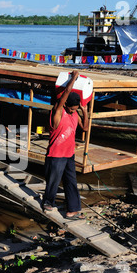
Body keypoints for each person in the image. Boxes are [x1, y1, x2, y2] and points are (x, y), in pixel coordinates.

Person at [41, 70, 89, 220]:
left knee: (71, 182)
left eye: (75, 109)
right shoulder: (58, 113)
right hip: (55, 155)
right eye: (72, 108)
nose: (73, 111)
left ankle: (73, 210)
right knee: (53, 181)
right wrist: (73, 79)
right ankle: (48, 202)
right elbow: (66, 94)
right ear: (66, 105)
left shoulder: (75, 114)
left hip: (69, 154)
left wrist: (84, 111)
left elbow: (85, 128)